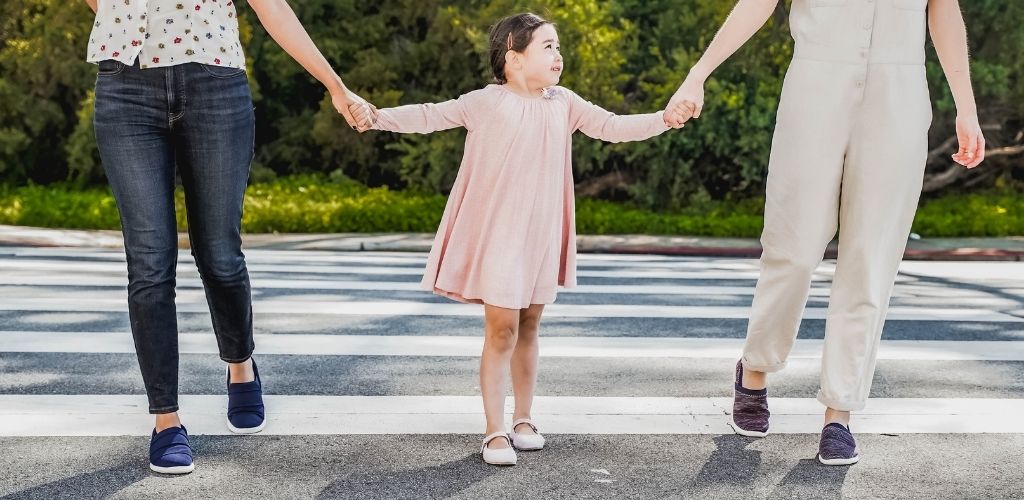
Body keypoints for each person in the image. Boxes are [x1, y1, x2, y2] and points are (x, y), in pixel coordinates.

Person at [350, 12, 687, 466]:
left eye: (558, 46)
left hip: (540, 235)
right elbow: (431, 115)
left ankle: (524, 419)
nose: (558, 55)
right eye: (547, 46)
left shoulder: (563, 103)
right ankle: (494, 431)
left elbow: (613, 126)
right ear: (513, 58)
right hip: (500, 236)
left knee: (530, 325)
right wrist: (378, 117)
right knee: (502, 328)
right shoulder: (487, 102)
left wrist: (665, 118)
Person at [665, 0, 985, 465]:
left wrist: (966, 107)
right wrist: (699, 73)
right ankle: (755, 369)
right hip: (815, 85)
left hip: (899, 94)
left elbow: (944, 11)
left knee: (870, 259)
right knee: (791, 250)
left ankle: (840, 412)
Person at [84, 0, 374, 474]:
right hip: (125, 86)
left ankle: (240, 363)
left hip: (213, 84)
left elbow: (272, 8)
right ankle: (166, 421)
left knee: (219, 254)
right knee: (150, 264)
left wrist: (335, 86)